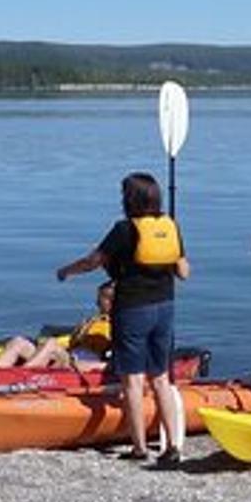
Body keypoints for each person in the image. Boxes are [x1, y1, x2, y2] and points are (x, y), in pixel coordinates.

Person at [56, 171, 191, 467]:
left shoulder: (124, 229)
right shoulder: (170, 227)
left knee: (132, 380)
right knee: (161, 379)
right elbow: (184, 272)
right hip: (165, 308)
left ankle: (140, 447)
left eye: (124, 194)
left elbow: (94, 261)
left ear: (131, 199)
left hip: (132, 309)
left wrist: (66, 270)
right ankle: (173, 447)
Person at [0, 280, 115, 371]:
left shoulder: (120, 325)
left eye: (102, 298)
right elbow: (71, 345)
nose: (97, 301)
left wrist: (89, 366)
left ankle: (20, 377)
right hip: (67, 358)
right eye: (98, 297)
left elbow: (115, 363)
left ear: (112, 300)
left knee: (51, 344)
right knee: (18, 342)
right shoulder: (91, 321)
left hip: (79, 363)